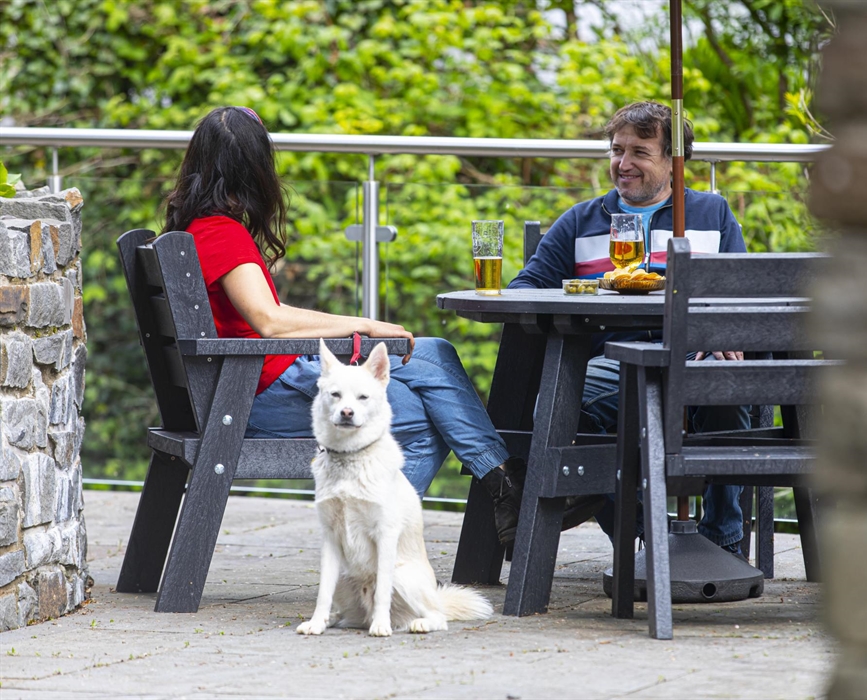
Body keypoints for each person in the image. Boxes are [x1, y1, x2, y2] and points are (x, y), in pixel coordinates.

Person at [161, 106, 604, 548]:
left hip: (253, 382)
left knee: (434, 352)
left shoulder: (202, 229)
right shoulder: (221, 233)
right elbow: (270, 320)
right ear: (255, 169)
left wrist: (367, 330)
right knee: (422, 418)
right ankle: (388, 544)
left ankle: (503, 484)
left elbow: (265, 316)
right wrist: (364, 325)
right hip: (251, 396)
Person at [509, 101, 751, 562]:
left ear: (674, 161)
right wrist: (588, 291)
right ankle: (645, 535)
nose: (623, 164)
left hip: (691, 358)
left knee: (729, 389)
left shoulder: (710, 214)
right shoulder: (581, 220)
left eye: (640, 152)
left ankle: (723, 541)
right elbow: (526, 291)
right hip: (611, 366)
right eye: (616, 151)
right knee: (559, 406)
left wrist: (720, 329)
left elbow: (738, 292)